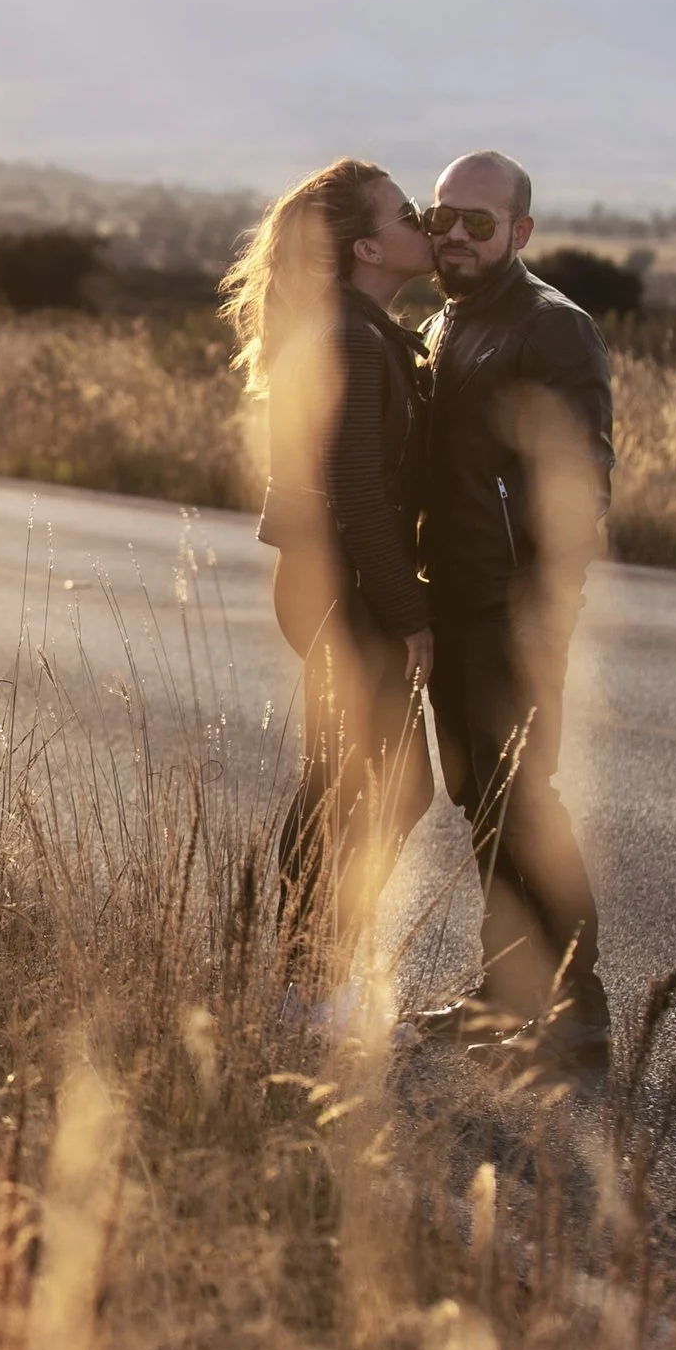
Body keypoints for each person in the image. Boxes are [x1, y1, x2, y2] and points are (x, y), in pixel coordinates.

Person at [403, 150, 616, 1079]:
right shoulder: (448, 320)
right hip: (452, 605)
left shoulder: (551, 330)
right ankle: (504, 991)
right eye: (438, 215)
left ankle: (579, 1012)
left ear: (520, 233)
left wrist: (538, 621)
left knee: (523, 801)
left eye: (476, 222)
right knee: (479, 802)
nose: (452, 234)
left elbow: (578, 491)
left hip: (512, 615)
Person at [223, 159, 437, 986]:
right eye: (408, 214)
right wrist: (409, 611)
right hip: (345, 592)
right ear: (367, 248)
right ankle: (310, 983)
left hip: (337, 588)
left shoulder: (356, 329)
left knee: (360, 789)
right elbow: (355, 494)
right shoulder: (348, 336)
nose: (425, 225)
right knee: (354, 793)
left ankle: (318, 971)